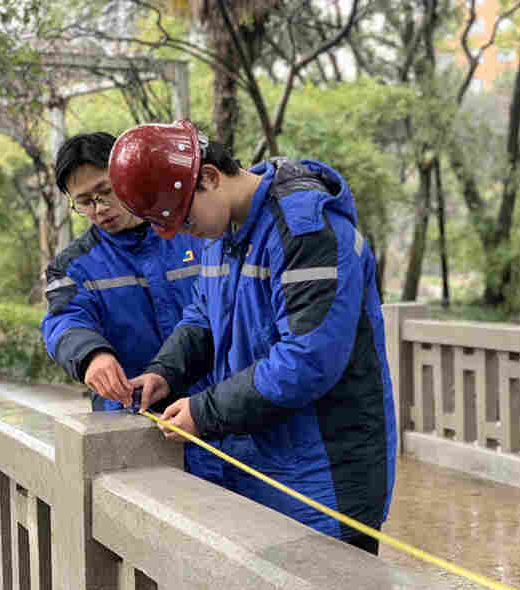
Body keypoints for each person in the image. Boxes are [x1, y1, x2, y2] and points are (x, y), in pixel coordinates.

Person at [105, 120, 397, 555]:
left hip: (327, 475)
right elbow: (204, 316)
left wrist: (206, 411)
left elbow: (307, 358)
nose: (185, 233)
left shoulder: (305, 231)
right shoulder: (222, 233)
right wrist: (165, 372)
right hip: (259, 461)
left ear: (208, 177)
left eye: (184, 218)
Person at [41, 131, 209, 413]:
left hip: (212, 410)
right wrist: (91, 355)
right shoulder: (73, 265)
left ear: (127, 175)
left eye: (106, 191)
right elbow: (64, 320)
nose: (100, 208)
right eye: (85, 202)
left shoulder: (198, 232)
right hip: (132, 418)